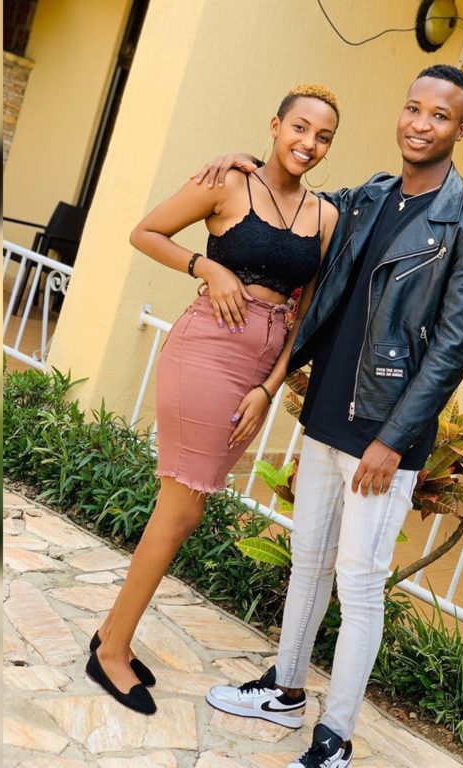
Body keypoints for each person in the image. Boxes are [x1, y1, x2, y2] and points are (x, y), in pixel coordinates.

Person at [200, 65, 463, 768]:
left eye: (439, 115)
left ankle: (334, 738)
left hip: (384, 436)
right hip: (330, 411)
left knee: (359, 583)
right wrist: (252, 163)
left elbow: (453, 348)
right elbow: (296, 202)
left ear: (461, 129)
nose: (421, 124)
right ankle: (285, 688)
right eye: (413, 108)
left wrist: (394, 441)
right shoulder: (369, 197)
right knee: (308, 559)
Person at [86, 85, 340, 715]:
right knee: (180, 509)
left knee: (186, 508)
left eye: (323, 136)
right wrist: (207, 266)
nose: (308, 143)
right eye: (299, 127)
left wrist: (269, 388)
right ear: (275, 124)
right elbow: (145, 232)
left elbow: (306, 313)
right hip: (206, 350)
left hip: (257, 370)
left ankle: (111, 631)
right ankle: (111, 650)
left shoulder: (326, 217)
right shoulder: (228, 182)